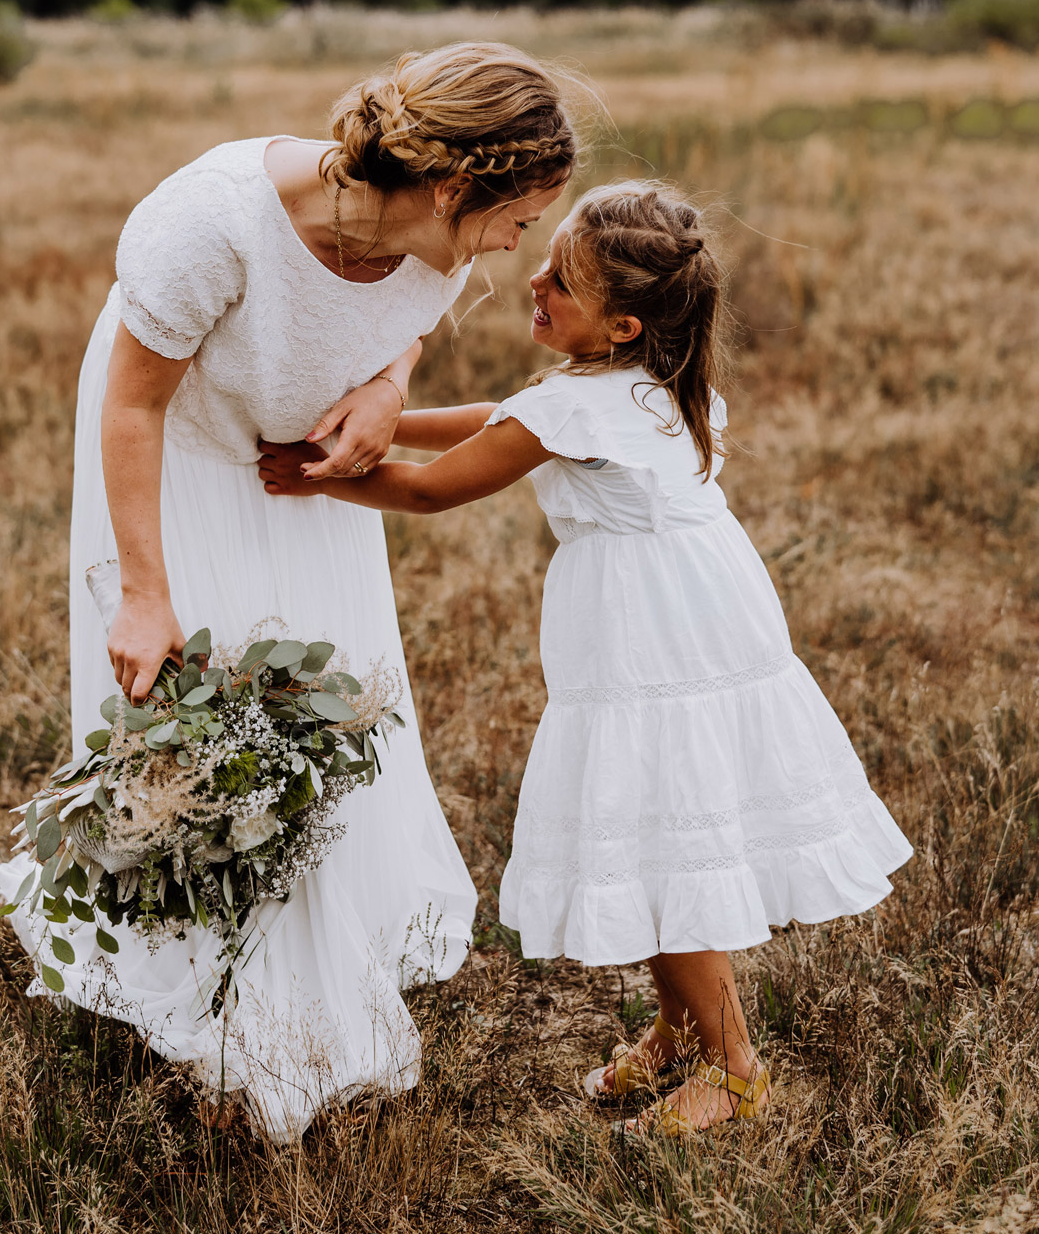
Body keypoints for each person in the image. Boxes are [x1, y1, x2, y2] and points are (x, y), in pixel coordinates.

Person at [0, 41, 577, 1142]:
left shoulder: (435, 240)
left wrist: (384, 387)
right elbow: (131, 409)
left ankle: (316, 964)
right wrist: (144, 592)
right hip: (181, 455)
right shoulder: (210, 223)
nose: (518, 246)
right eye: (517, 218)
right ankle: (208, 1001)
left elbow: (409, 320)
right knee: (205, 721)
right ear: (453, 188)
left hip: (299, 458)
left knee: (329, 700)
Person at [259, 179, 913, 1136]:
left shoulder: (589, 408)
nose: (535, 280)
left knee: (668, 837)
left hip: (658, 641)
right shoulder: (635, 386)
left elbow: (439, 491)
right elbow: (498, 415)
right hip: (688, 615)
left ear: (621, 328)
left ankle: (732, 1068)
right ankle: (678, 1032)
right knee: (652, 827)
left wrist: (318, 475)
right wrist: (384, 419)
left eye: (560, 279)